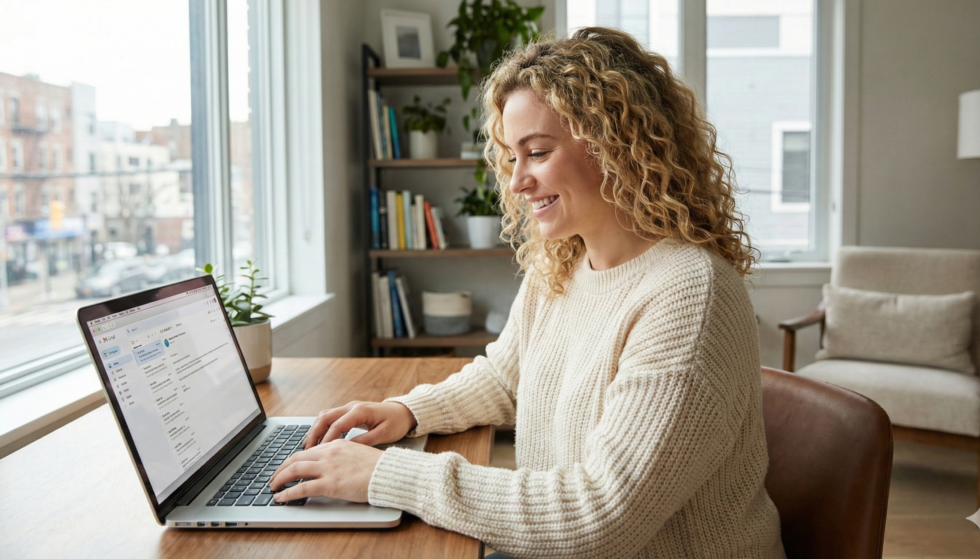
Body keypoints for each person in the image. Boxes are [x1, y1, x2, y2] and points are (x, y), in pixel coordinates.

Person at [269, 27, 787, 558]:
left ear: (619, 147)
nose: (517, 182)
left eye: (537, 152)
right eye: (512, 157)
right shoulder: (562, 267)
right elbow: (506, 378)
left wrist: (388, 473)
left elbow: (600, 515)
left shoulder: (688, 295)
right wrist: (407, 411)